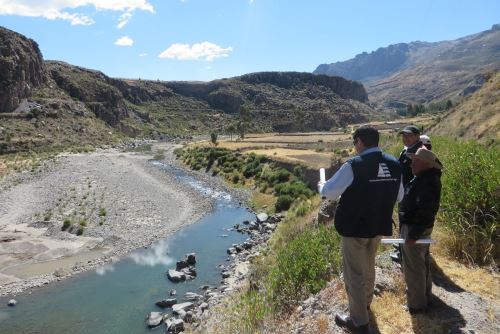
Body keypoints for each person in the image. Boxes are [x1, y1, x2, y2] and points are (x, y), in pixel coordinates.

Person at [318, 125, 403, 333]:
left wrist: (321, 185)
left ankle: (358, 321)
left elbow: (329, 192)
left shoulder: (354, 165)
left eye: (354, 142)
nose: (354, 147)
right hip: (378, 226)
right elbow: (401, 196)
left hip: (354, 228)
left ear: (359, 142)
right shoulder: (394, 164)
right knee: (368, 267)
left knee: (354, 273)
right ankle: (364, 305)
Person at [399, 147, 442, 314]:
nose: (411, 165)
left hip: (414, 229)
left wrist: (413, 234)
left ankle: (416, 305)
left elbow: (425, 211)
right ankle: (425, 298)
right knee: (421, 263)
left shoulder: (426, 183)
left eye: (415, 162)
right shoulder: (427, 179)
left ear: (426, 164)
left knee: (414, 268)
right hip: (417, 229)